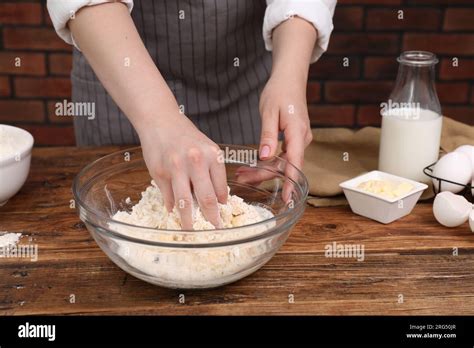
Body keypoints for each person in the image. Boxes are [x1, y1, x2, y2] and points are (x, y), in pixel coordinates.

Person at [47, 0, 336, 229]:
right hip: (119, 77)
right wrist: (158, 119)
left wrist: (290, 75)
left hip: (239, 82)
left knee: (234, 201)